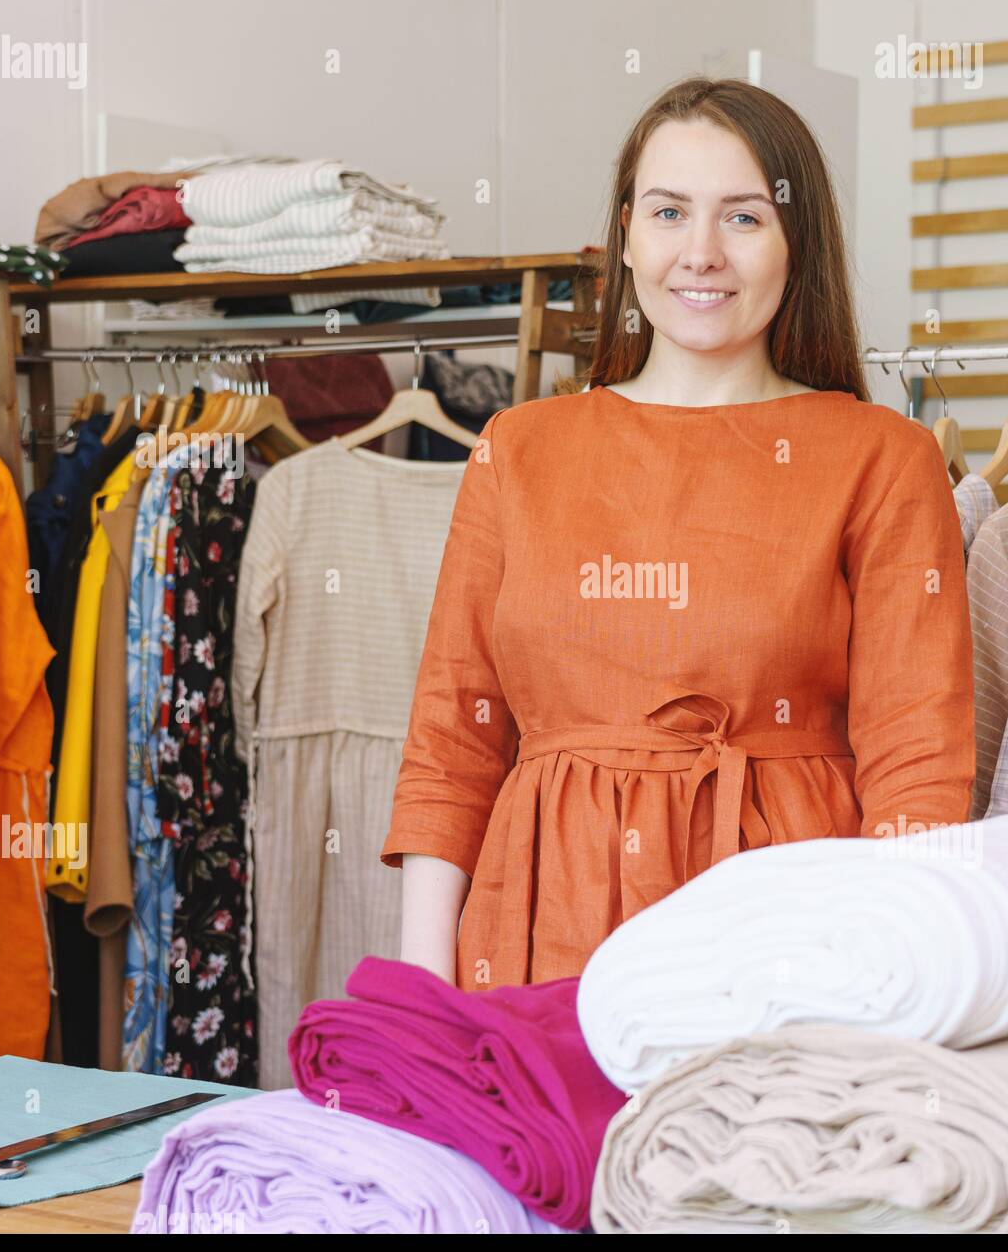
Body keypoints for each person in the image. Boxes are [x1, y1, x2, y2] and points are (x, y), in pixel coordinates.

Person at [381, 76, 975, 990]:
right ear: (627, 234)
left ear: (795, 240)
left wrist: (892, 986)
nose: (701, 254)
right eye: (669, 213)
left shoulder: (884, 458)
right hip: (536, 935)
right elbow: (452, 740)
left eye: (743, 217)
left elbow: (918, 767)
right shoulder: (519, 448)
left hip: (789, 940)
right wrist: (423, 997)